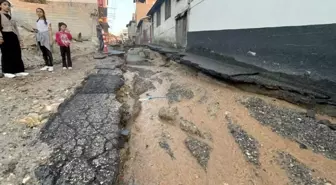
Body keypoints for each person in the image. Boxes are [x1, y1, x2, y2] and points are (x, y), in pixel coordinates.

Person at [0, 0, 28, 78]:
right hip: (5, 35)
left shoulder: (11, 17)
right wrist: (0, 37)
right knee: (6, 53)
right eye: (5, 4)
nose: (7, 6)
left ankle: (18, 70)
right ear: (0, 6)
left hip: (13, 35)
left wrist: (20, 40)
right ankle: (7, 71)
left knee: (17, 53)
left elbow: (16, 29)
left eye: (8, 5)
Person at [35, 8, 53, 72]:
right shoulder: (37, 21)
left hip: (46, 36)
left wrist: (51, 39)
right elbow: (39, 29)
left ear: (43, 13)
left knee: (48, 50)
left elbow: (50, 30)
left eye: (40, 11)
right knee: (43, 51)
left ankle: (51, 65)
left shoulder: (48, 21)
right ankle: (46, 65)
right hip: (39, 36)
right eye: (37, 12)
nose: (39, 13)